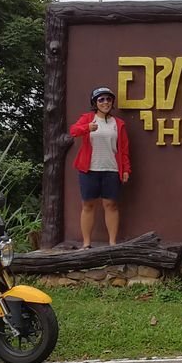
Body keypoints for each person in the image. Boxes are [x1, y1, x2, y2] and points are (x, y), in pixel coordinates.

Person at [69, 86, 131, 248]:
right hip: (89, 169)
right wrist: (86, 128)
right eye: (101, 99)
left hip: (111, 169)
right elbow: (74, 131)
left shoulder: (118, 123)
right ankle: (86, 243)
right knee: (88, 205)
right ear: (95, 102)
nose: (105, 102)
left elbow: (124, 149)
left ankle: (112, 243)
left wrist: (126, 169)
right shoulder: (88, 118)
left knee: (111, 205)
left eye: (108, 99)